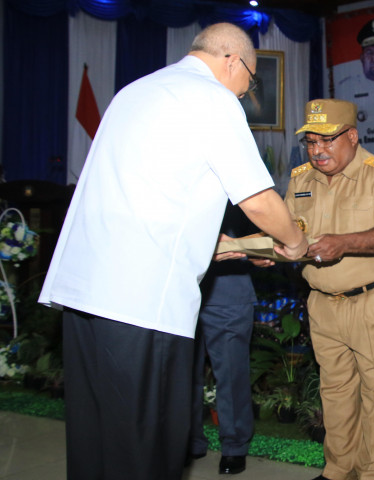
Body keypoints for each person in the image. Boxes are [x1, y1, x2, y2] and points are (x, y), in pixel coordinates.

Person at [37, 22, 308, 480]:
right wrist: (295, 242)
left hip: (84, 295)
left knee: (95, 442)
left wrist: (206, 245)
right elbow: (259, 199)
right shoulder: (212, 98)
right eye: (250, 81)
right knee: (147, 448)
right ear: (233, 61)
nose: (245, 93)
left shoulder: (134, 92)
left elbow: (146, 194)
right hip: (142, 304)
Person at [285, 98, 374, 480]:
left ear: (353, 137)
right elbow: (289, 231)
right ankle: (338, 470)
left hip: (373, 301)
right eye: (311, 141)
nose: (317, 150)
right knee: (335, 392)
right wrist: (271, 250)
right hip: (322, 303)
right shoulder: (301, 179)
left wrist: (344, 243)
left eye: (327, 140)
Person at [189, 202, 259, 475]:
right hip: (182, 290)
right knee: (181, 374)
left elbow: (266, 229)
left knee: (231, 374)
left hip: (228, 288)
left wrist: (252, 249)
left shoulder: (239, 186)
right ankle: (188, 439)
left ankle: (234, 446)